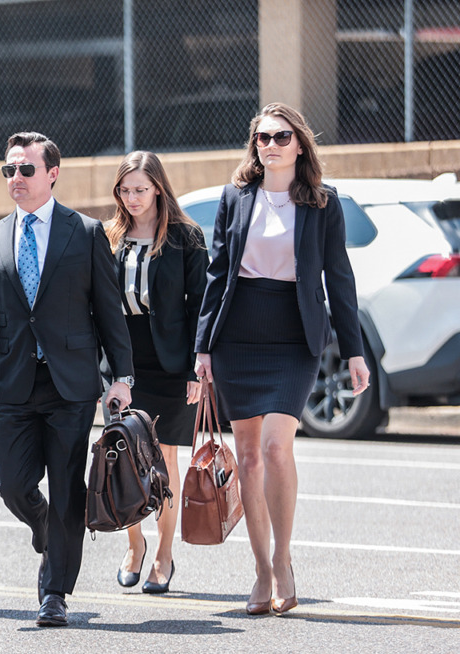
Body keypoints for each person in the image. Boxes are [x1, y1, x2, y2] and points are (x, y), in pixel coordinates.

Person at [0, 131, 134, 628]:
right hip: (16, 383)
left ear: (52, 174)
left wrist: (121, 377)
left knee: (68, 488)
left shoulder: (84, 233)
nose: (16, 179)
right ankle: (42, 523)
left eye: (26, 170)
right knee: (10, 481)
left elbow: (110, 313)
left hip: (71, 384)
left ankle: (55, 593)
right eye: (9, 170)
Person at [194, 103, 370, 616]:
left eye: (281, 136)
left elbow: (339, 278)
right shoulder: (235, 197)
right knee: (246, 457)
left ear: (299, 145)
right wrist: (203, 347)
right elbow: (217, 274)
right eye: (263, 137)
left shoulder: (321, 203)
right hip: (238, 337)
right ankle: (261, 570)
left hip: (293, 339)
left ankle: (285, 557)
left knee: (275, 449)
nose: (270, 144)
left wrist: (354, 351)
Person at [101, 151, 207, 594]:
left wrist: (199, 367)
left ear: (158, 188)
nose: (132, 199)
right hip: (124, 361)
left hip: (172, 363)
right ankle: (135, 543)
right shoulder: (108, 236)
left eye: (140, 190)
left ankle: (164, 553)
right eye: (125, 191)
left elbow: (201, 304)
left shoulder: (186, 237)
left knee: (164, 460)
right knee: (125, 456)